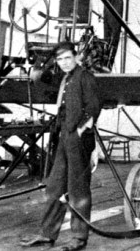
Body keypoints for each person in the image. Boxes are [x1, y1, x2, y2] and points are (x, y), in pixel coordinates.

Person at [19, 42, 101, 251]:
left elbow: (93, 107)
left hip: (79, 138)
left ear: (76, 57)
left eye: (67, 58)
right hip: (64, 136)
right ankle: (47, 234)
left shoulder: (85, 77)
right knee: (54, 186)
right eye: (60, 59)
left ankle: (78, 239)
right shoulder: (66, 78)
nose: (64, 63)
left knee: (78, 188)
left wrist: (81, 130)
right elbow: (42, 77)